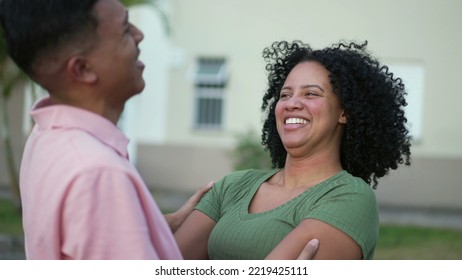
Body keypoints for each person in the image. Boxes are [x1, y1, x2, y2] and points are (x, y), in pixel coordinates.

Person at [0, 0, 319, 260]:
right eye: (125, 30)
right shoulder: (97, 174)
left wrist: (161, 224)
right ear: (82, 69)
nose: (139, 35)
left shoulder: (45, 137)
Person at [175, 40, 412, 260]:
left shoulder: (350, 198)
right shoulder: (232, 187)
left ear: (344, 112)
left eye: (311, 94)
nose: (291, 103)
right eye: (285, 95)